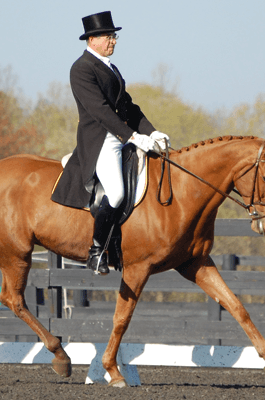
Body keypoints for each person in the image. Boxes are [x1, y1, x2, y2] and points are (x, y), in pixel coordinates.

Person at [51, 11, 170, 275]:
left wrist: (152, 132)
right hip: (100, 141)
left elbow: (128, 107)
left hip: (121, 137)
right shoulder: (81, 68)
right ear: (92, 39)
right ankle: (97, 252)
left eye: (114, 36)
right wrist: (132, 136)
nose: (113, 41)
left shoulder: (111, 68)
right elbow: (100, 111)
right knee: (116, 192)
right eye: (109, 36)